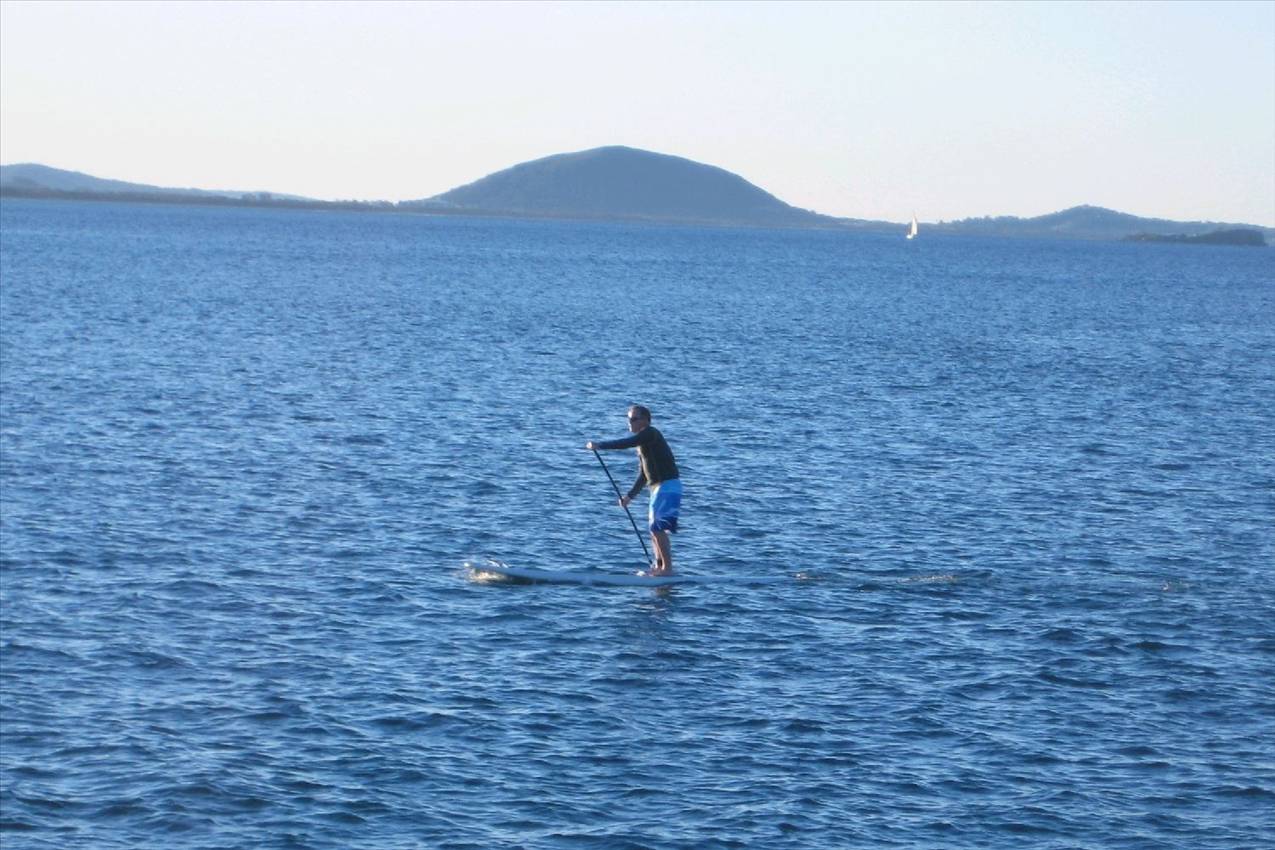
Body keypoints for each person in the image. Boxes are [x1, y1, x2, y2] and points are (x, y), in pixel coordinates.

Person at [586, 405, 682, 575]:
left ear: (645, 420)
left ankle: (667, 570)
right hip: (657, 488)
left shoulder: (650, 433)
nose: (629, 423)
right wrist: (630, 496)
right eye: (628, 419)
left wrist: (600, 445)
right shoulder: (642, 442)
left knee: (657, 528)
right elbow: (644, 475)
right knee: (654, 528)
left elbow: (626, 443)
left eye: (633, 419)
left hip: (667, 486)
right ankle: (659, 568)